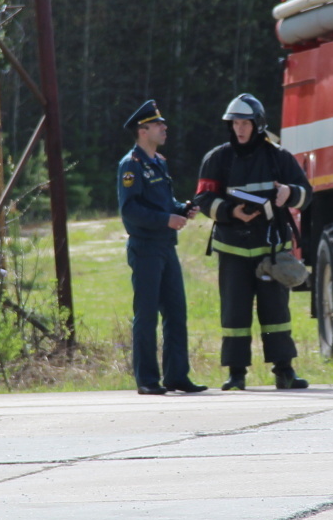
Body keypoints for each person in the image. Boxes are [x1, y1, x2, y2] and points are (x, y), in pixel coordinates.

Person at [196, 93, 312, 391]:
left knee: (276, 312)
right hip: (232, 249)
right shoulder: (217, 158)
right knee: (234, 311)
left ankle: (284, 371)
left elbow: (306, 193)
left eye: (245, 122)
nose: (239, 129)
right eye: (234, 123)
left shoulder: (279, 156)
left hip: (271, 250)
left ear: (257, 124)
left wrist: (289, 193)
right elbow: (203, 198)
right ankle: (236, 374)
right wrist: (229, 210)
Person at [117, 100, 202, 395]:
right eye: (157, 124)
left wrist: (182, 208)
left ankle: (177, 376)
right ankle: (147, 379)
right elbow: (130, 210)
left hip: (166, 247)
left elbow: (165, 202)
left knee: (176, 312)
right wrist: (167, 219)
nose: (164, 128)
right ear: (143, 131)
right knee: (147, 313)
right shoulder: (131, 165)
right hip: (146, 248)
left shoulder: (159, 162)